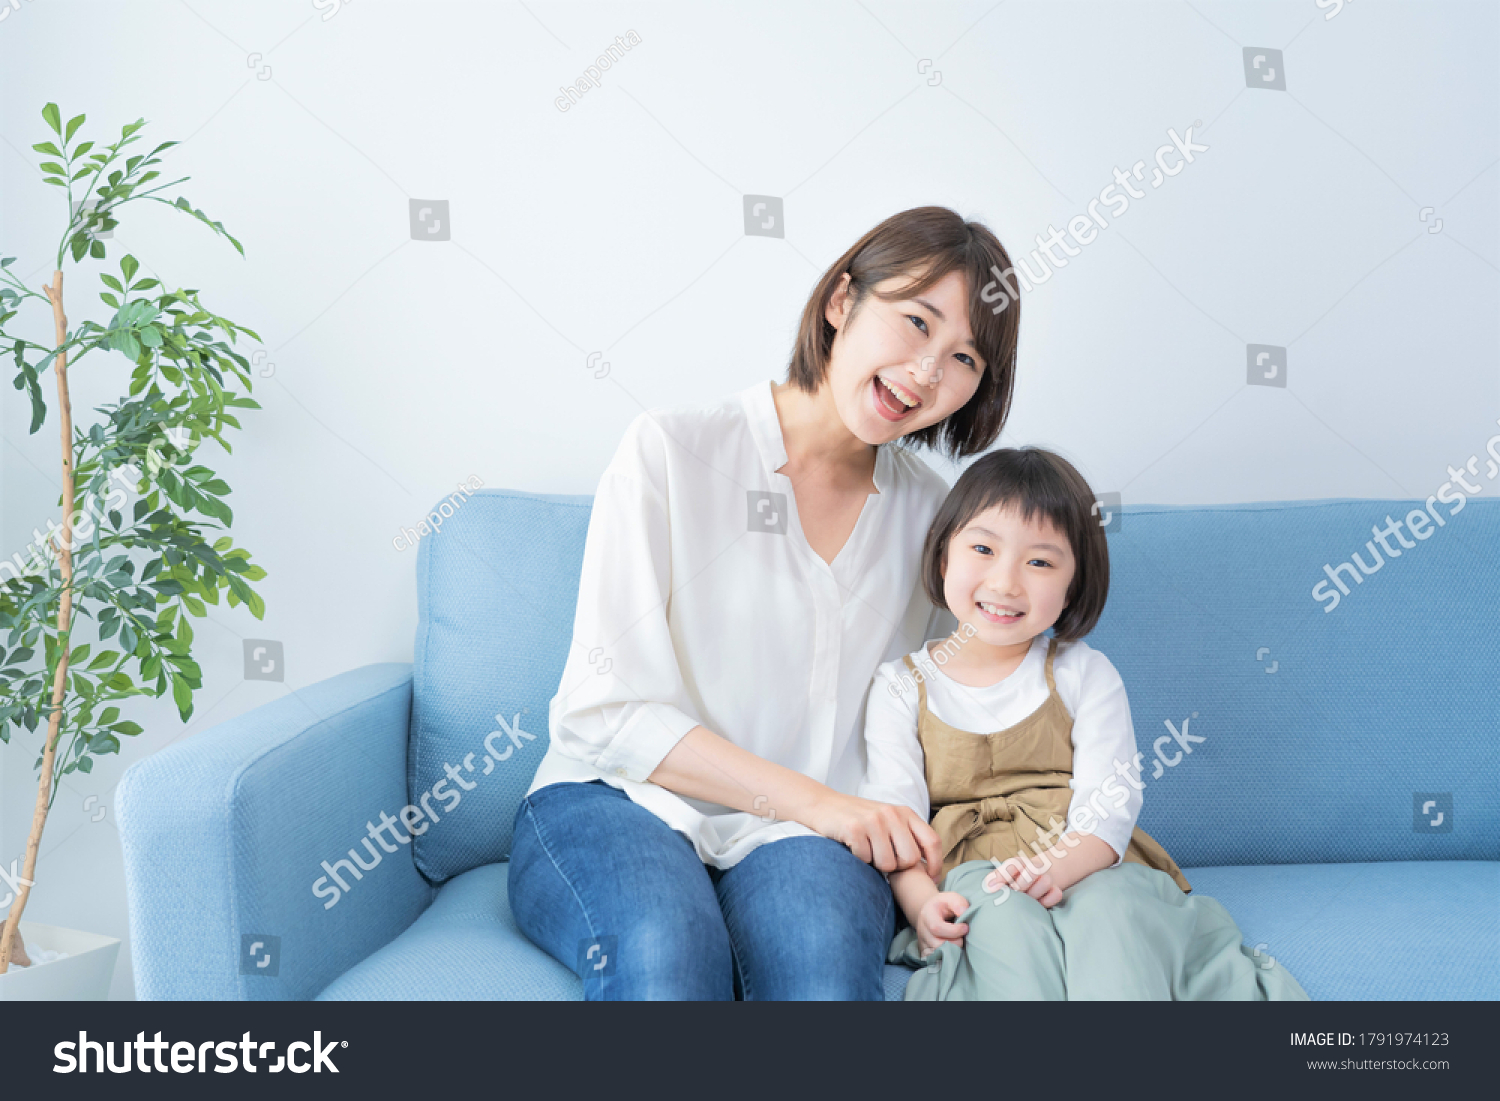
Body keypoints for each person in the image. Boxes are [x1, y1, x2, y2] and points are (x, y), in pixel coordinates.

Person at [507, 206, 1024, 999]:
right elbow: (599, 713)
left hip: (806, 838)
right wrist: (822, 803)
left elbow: (944, 716)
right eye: (917, 322)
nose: (927, 372)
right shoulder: (671, 450)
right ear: (842, 301)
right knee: (666, 954)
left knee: (825, 978)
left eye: (963, 358)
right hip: (620, 798)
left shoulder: (941, 523)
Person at [861, 447, 1312, 1000]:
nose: (1005, 582)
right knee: (1003, 929)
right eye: (982, 549)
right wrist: (922, 905)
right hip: (972, 873)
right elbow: (896, 825)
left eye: (1040, 562)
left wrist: (1053, 870)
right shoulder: (900, 685)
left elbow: (1110, 806)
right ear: (942, 557)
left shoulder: (1083, 672)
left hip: (1084, 858)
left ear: (1073, 586)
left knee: (1113, 919)